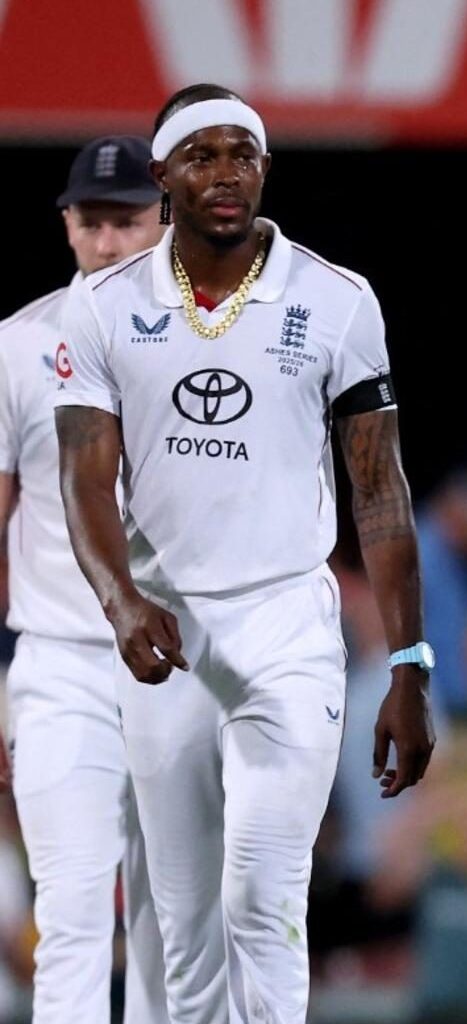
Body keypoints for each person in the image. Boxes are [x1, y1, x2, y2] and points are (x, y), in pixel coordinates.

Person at [53, 83, 435, 1022]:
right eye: (201, 157)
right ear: (162, 177)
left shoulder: (338, 301)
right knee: (182, 925)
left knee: (260, 899)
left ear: (265, 168)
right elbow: (83, 479)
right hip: (163, 630)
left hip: (286, 623)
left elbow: (379, 491)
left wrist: (409, 663)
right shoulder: (102, 308)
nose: (225, 175)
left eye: (242, 156)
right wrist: (122, 604)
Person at [0, 135, 166, 1024]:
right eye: (92, 222)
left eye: (127, 223)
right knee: (69, 909)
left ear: (164, 221)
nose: (108, 243)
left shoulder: (213, 349)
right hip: (63, 661)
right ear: (66, 223)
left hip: (178, 663)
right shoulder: (16, 348)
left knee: (169, 914)